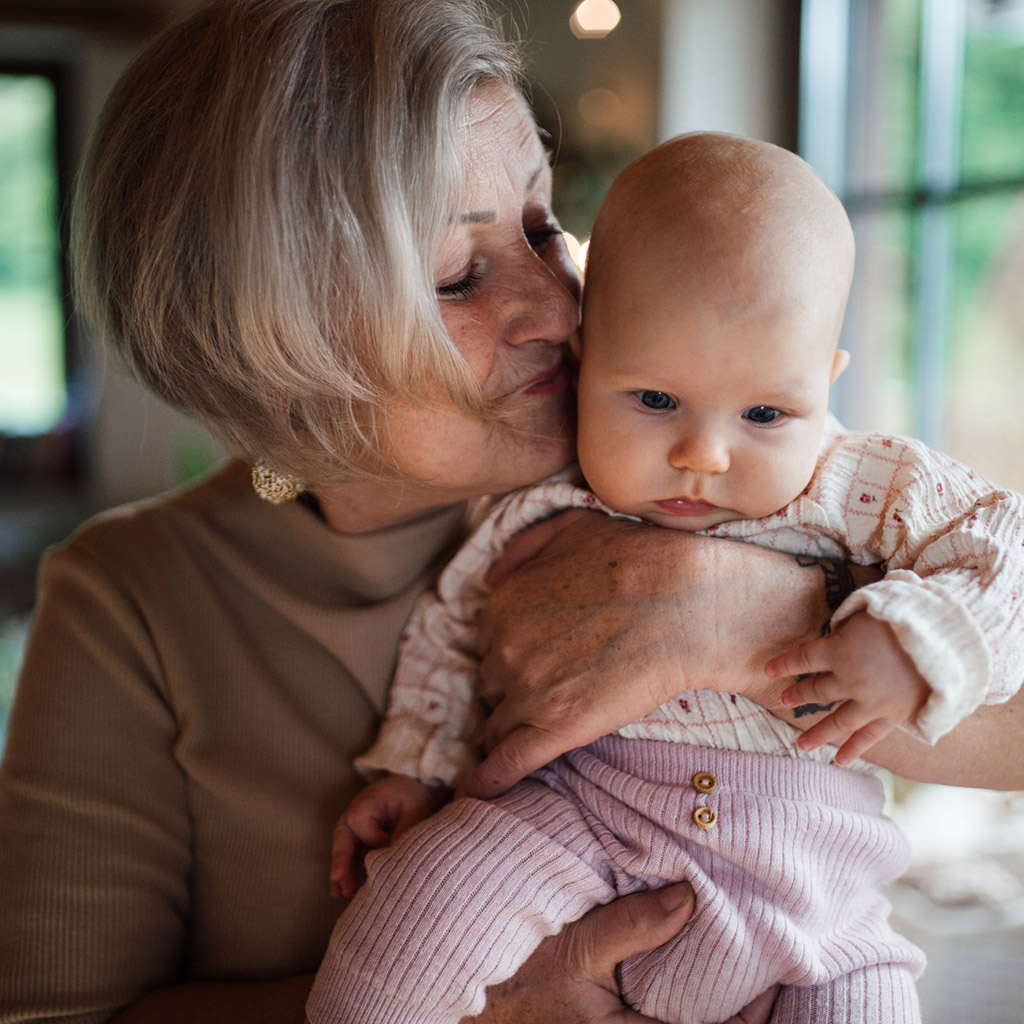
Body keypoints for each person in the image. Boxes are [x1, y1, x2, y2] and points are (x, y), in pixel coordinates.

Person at [0, 1, 1020, 1022]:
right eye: (458, 277)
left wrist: (734, 620)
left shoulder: (690, 462)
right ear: (276, 350)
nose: (564, 305)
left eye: (541, 226)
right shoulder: (129, 601)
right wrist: (492, 1006)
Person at [315, 134, 1024, 1024]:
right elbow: (453, 631)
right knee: (414, 906)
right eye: (654, 400)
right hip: (573, 823)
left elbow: (1004, 544)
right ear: (585, 361)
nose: (704, 453)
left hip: (817, 900)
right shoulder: (543, 500)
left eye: (765, 412)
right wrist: (418, 768)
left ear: (824, 382)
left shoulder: (864, 485)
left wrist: (917, 638)